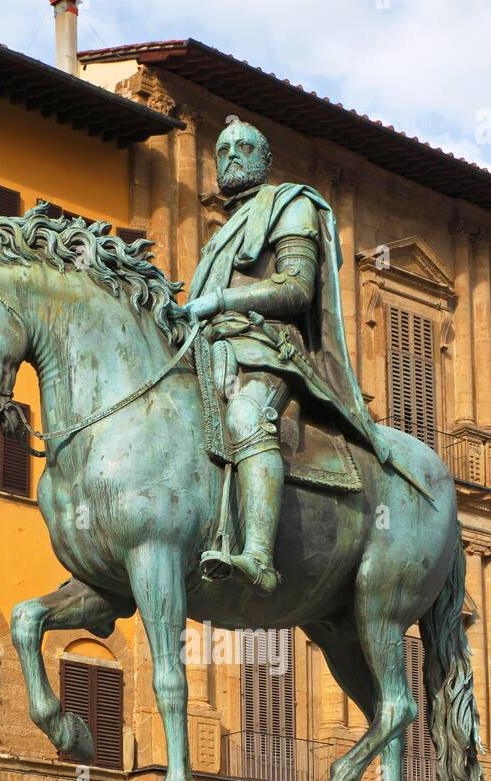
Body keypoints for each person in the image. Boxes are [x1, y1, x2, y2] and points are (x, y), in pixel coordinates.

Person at [186, 118, 421, 596]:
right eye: (223, 149)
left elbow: (295, 288)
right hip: (210, 352)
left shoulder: (291, 205)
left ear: (265, 160)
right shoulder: (222, 232)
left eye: (244, 147)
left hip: (268, 351)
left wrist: (222, 303)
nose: (231, 155)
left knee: (247, 416)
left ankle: (257, 555)